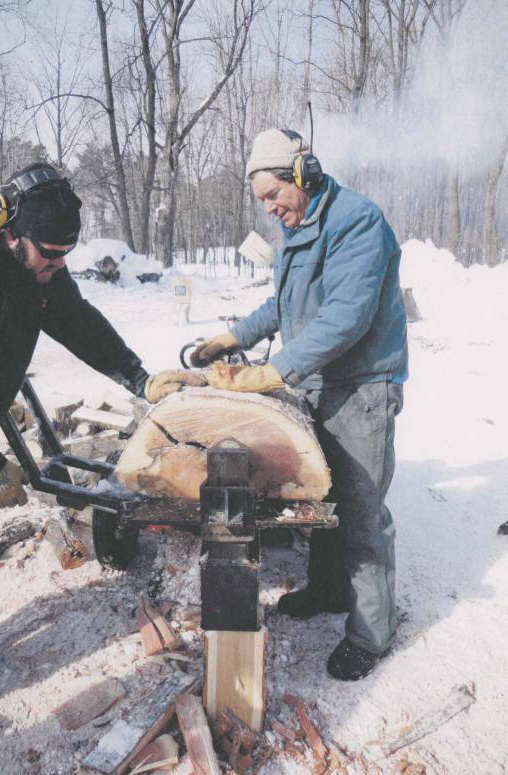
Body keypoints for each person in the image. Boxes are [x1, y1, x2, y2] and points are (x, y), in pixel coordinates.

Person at [0, 163, 201, 757]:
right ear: (8, 229)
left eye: (66, 255)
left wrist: (140, 378)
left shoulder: (35, 262)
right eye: (50, 255)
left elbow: (76, 321)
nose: (58, 266)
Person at [192, 128, 408, 681]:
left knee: (361, 515)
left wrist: (273, 371)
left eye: (273, 195)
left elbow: (347, 316)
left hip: (361, 388)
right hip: (318, 383)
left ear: (303, 175)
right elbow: (285, 304)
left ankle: (373, 633)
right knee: (324, 499)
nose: (269, 209)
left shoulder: (357, 222)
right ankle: (330, 591)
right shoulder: (299, 226)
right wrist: (234, 337)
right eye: (261, 200)